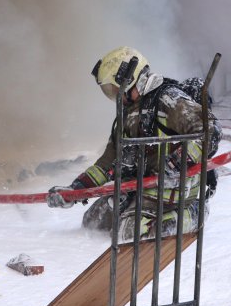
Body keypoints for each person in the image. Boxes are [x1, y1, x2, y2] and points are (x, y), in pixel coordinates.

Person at [46, 46, 221, 242]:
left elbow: (211, 131)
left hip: (173, 190)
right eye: (110, 91)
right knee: (93, 221)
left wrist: (176, 163)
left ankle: (194, 213)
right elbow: (108, 162)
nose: (116, 96)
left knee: (129, 233)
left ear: (132, 79)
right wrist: (76, 188)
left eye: (115, 89)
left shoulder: (168, 99)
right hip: (139, 187)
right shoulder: (128, 113)